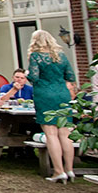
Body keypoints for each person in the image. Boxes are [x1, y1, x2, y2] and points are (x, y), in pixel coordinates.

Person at [27, 30, 78, 183]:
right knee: (65, 133)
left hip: (45, 94)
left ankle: (58, 170)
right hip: (62, 93)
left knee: (51, 134)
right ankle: (69, 169)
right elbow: (71, 76)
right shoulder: (61, 56)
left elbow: (34, 77)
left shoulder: (36, 56)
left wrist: (29, 73)